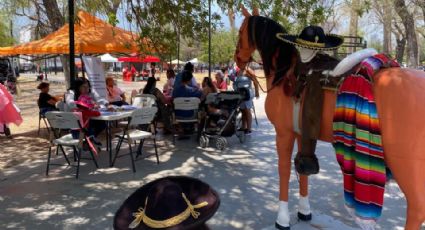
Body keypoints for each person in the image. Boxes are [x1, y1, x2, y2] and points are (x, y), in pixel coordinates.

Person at [71, 78, 106, 145]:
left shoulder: (85, 96)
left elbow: (98, 100)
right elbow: (95, 112)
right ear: (78, 87)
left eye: (87, 86)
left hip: (75, 132)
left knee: (100, 123)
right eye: (84, 87)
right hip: (79, 131)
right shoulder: (72, 95)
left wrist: (94, 105)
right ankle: (90, 140)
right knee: (93, 125)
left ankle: (90, 140)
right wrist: (92, 108)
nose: (87, 88)